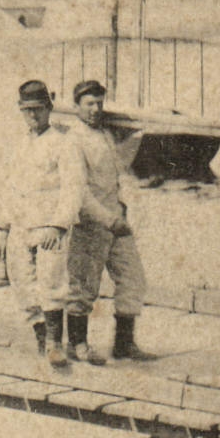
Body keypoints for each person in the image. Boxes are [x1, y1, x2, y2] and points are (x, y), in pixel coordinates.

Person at [66, 79, 154, 362]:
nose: (95, 109)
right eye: (89, 103)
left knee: (133, 279)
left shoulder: (104, 133)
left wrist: (139, 132)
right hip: (90, 223)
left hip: (115, 220)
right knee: (83, 287)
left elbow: (118, 169)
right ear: (76, 106)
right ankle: (77, 343)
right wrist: (107, 219)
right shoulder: (73, 140)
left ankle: (124, 344)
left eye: (99, 103)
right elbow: (79, 192)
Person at [1, 80, 84, 367]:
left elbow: (74, 189)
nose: (33, 115)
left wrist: (59, 225)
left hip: (49, 226)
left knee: (51, 283)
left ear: (48, 108)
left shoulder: (64, 142)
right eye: (27, 110)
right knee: (23, 284)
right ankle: (40, 339)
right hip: (21, 226)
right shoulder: (20, 142)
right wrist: (4, 228)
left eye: (38, 109)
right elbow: (10, 186)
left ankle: (53, 344)